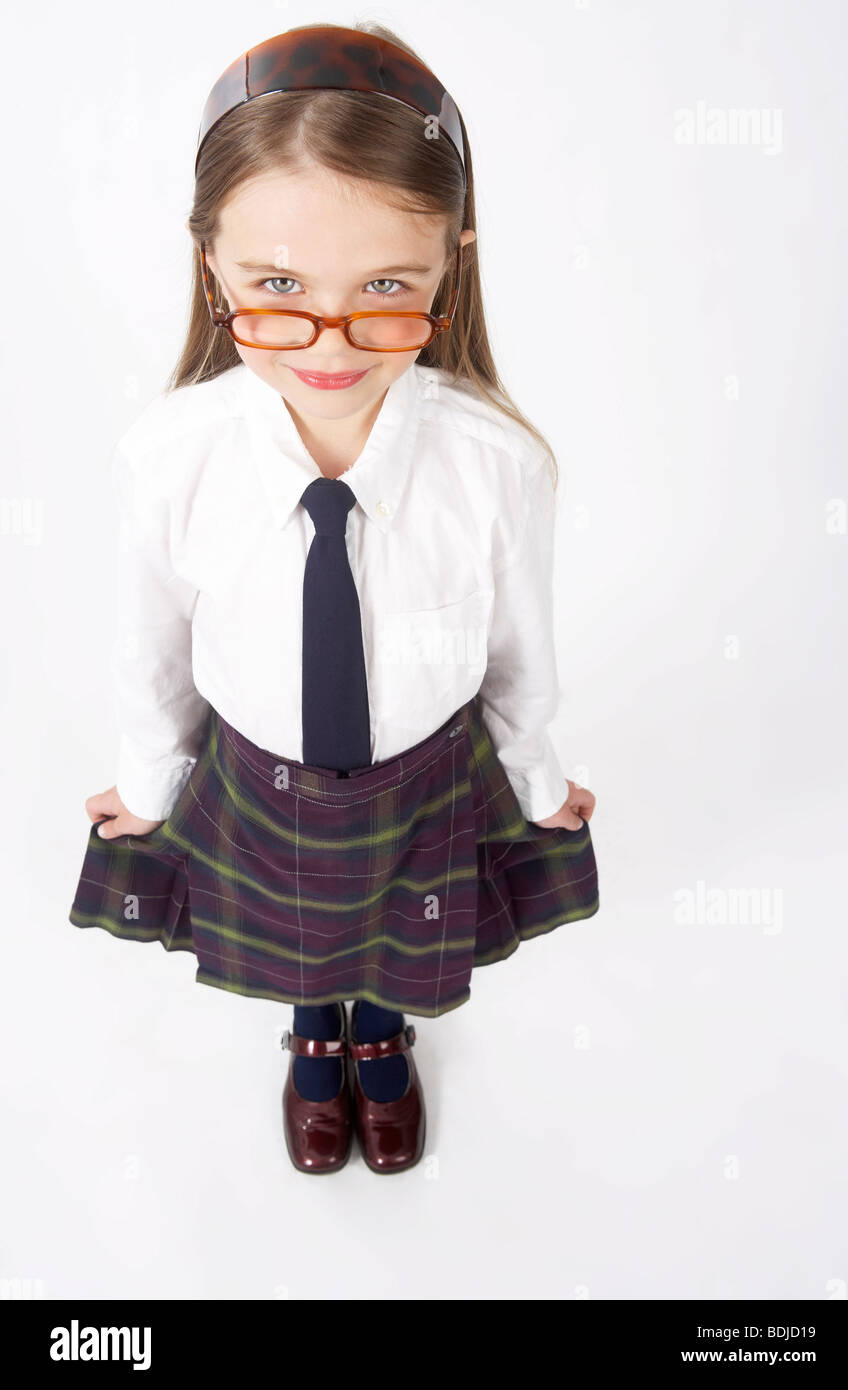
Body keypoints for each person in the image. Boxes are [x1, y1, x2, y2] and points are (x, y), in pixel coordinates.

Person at [69, 21, 600, 1177]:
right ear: (209, 259)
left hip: (428, 777)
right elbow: (149, 643)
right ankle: (316, 1031)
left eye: (385, 289)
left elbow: (517, 649)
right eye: (276, 286)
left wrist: (539, 780)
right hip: (254, 769)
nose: (329, 339)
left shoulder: (497, 465)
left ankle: (381, 1033)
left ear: (452, 260)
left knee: (392, 934)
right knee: (305, 934)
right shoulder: (170, 457)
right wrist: (150, 777)